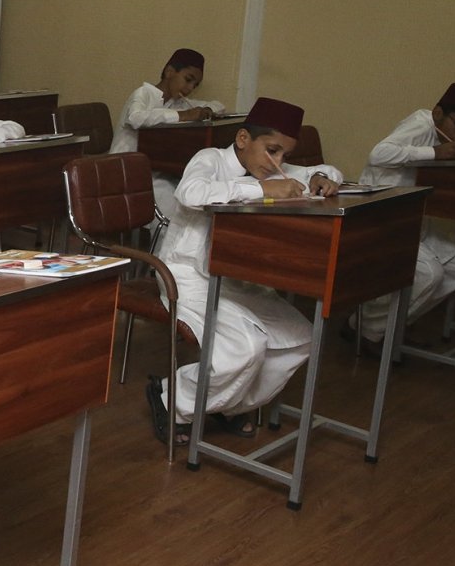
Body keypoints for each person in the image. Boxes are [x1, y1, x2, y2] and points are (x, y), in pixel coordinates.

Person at [146, 97, 342, 447]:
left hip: (236, 277)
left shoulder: (267, 166)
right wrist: (261, 189)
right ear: (242, 140)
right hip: (186, 276)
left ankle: (230, 405)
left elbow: (323, 171)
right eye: (272, 150)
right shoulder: (211, 160)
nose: (278, 162)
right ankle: (170, 399)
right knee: (245, 347)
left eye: (284, 154)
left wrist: (322, 177)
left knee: (301, 337)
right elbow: (190, 193)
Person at [349, 82, 455, 348]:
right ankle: (365, 330)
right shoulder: (421, 125)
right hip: (381, 218)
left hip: (413, 219)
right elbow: (379, 153)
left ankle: (385, 326)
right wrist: (434, 152)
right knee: (428, 274)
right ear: (438, 112)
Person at [109, 48, 228, 217]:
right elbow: (136, 117)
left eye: (195, 85)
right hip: (125, 170)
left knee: (190, 191)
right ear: (169, 71)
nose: (190, 88)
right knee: (171, 204)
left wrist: (207, 109)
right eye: (188, 80)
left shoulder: (177, 102)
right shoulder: (144, 93)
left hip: (156, 169)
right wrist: (183, 116)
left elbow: (219, 105)